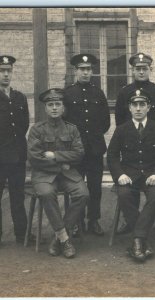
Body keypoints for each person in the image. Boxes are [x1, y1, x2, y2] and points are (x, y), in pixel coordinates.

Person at [107, 89, 155, 262]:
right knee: (124, 195)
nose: (138, 108)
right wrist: (119, 174)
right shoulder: (121, 130)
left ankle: (137, 240)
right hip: (129, 175)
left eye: (142, 104)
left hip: (152, 175)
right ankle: (144, 240)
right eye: (134, 104)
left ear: (148, 107)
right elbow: (112, 156)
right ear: (129, 108)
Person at [115, 52, 155, 233]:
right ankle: (130, 220)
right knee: (131, 179)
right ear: (132, 70)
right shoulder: (125, 92)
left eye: (144, 69)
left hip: (154, 145)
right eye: (137, 69)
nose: (141, 72)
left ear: (150, 69)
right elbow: (119, 120)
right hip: (132, 144)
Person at [27, 88, 89, 258]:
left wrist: (55, 155)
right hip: (44, 176)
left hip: (68, 176)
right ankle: (65, 239)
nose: (54, 108)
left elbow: (79, 153)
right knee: (46, 193)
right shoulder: (37, 130)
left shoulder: (72, 129)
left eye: (58, 104)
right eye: (50, 104)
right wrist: (62, 164)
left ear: (63, 108)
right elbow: (35, 158)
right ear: (46, 108)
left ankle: (60, 236)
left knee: (83, 194)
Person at [64, 54, 110, 236]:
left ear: (92, 71)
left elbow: (105, 121)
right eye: (82, 69)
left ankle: (93, 220)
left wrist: (94, 136)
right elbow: (64, 122)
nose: (85, 72)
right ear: (76, 71)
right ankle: (76, 222)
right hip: (75, 151)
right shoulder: (67, 93)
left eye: (88, 69)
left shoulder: (98, 93)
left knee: (95, 186)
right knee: (76, 187)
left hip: (95, 149)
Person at [0, 55, 31, 244]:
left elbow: (24, 124)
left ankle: (22, 234)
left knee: (18, 196)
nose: (5, 75)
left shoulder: (19, 97)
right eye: (2, 71)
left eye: (8, 71)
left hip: (18, 155)